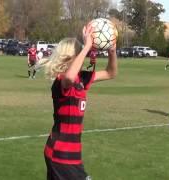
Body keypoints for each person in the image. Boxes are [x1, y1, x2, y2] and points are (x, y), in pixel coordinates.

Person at [43, 26, 117, 180]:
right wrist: (87, 47)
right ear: (72, 56)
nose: (87, 54)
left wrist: (112, 51)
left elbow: (111, 73)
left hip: (68, 154)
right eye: (81, 52)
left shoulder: (82, 78)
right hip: (62, 155)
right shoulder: (61, 80)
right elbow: (69, 78)